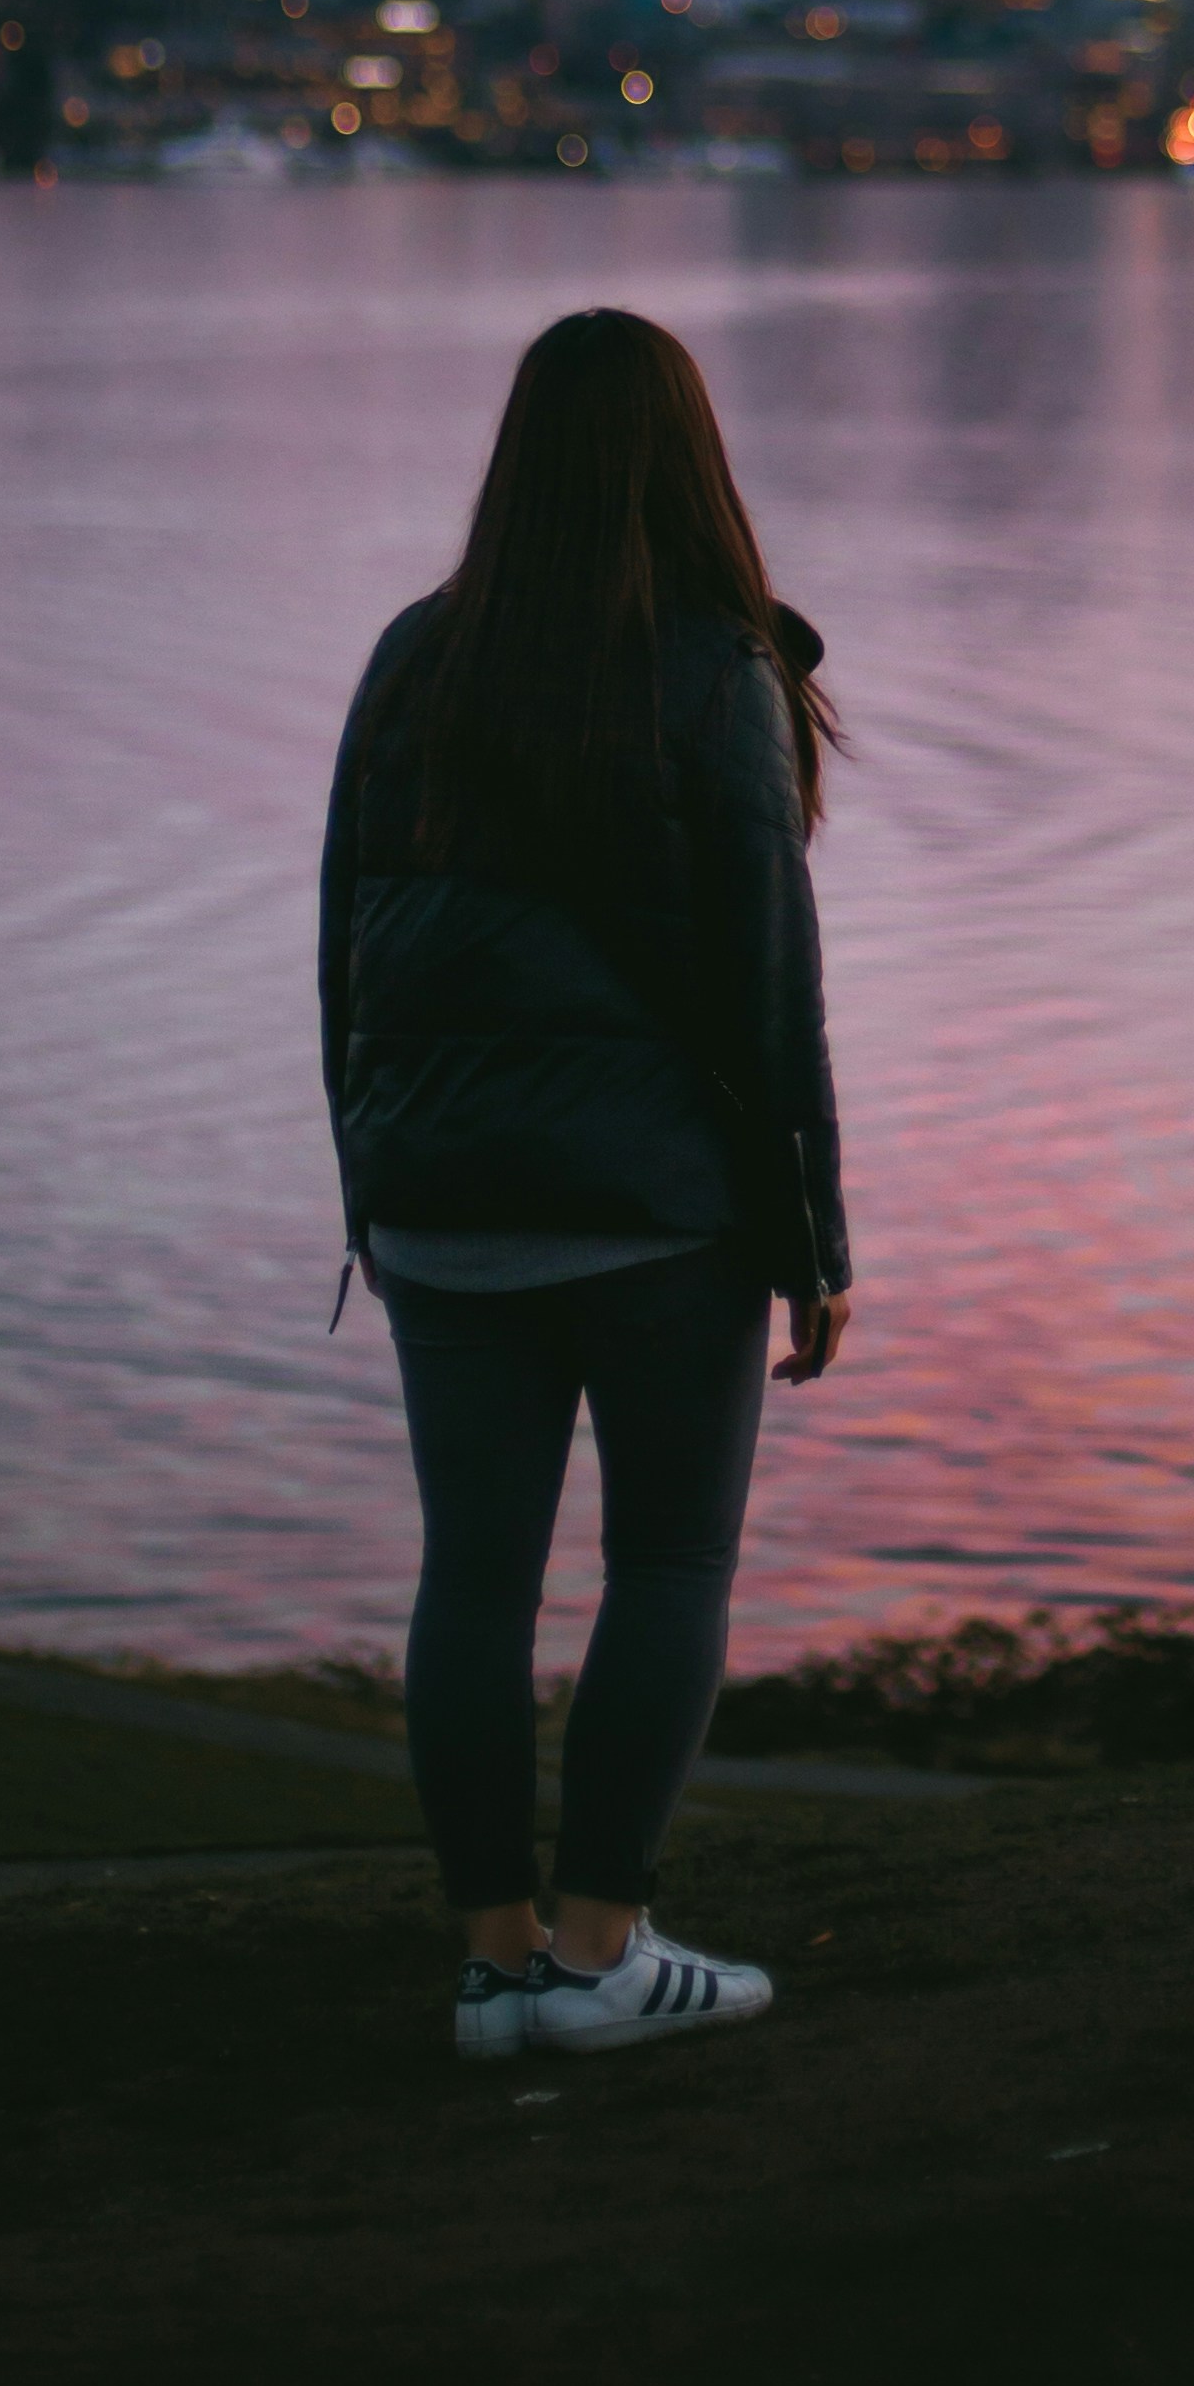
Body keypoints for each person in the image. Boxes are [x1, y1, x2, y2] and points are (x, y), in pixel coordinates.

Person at [319, 304, 854, 2060]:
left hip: (444, 1192)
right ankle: (601, 1953)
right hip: (655, 1214)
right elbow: (770, 989)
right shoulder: (716, 671)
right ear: (690, 465)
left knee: (470, 1581)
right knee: (671, 1561)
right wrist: (815, 1241)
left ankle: (494, 1969)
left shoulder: (415, 655)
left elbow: (346, 949)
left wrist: (368, 1184)